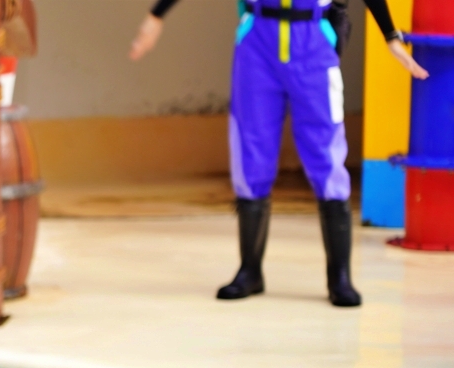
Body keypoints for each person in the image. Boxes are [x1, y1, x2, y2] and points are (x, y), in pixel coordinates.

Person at [130, 1, 428, 307]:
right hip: (258, 40)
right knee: (251, 149)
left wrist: (390, 35)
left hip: (313, 38)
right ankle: (250, 271)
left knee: (325, 153)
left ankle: (340, 277)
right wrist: (157, 15)